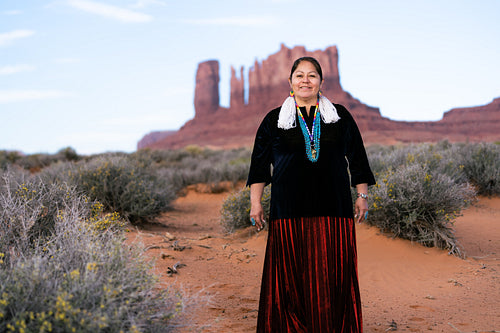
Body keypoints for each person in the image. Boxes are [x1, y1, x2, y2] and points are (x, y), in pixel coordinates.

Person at [247, 56, 376, 333]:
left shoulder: (339, 116)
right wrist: (255, 203)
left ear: (321, 82)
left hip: (334, 208)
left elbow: (358, 159)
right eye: (300, 75)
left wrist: (362, 196)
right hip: (288, 211)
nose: (306, 80)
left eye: (312, 75)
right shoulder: (273, 120)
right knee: (290, 279)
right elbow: (259, 166)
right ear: (290, 82)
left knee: (333, 276)